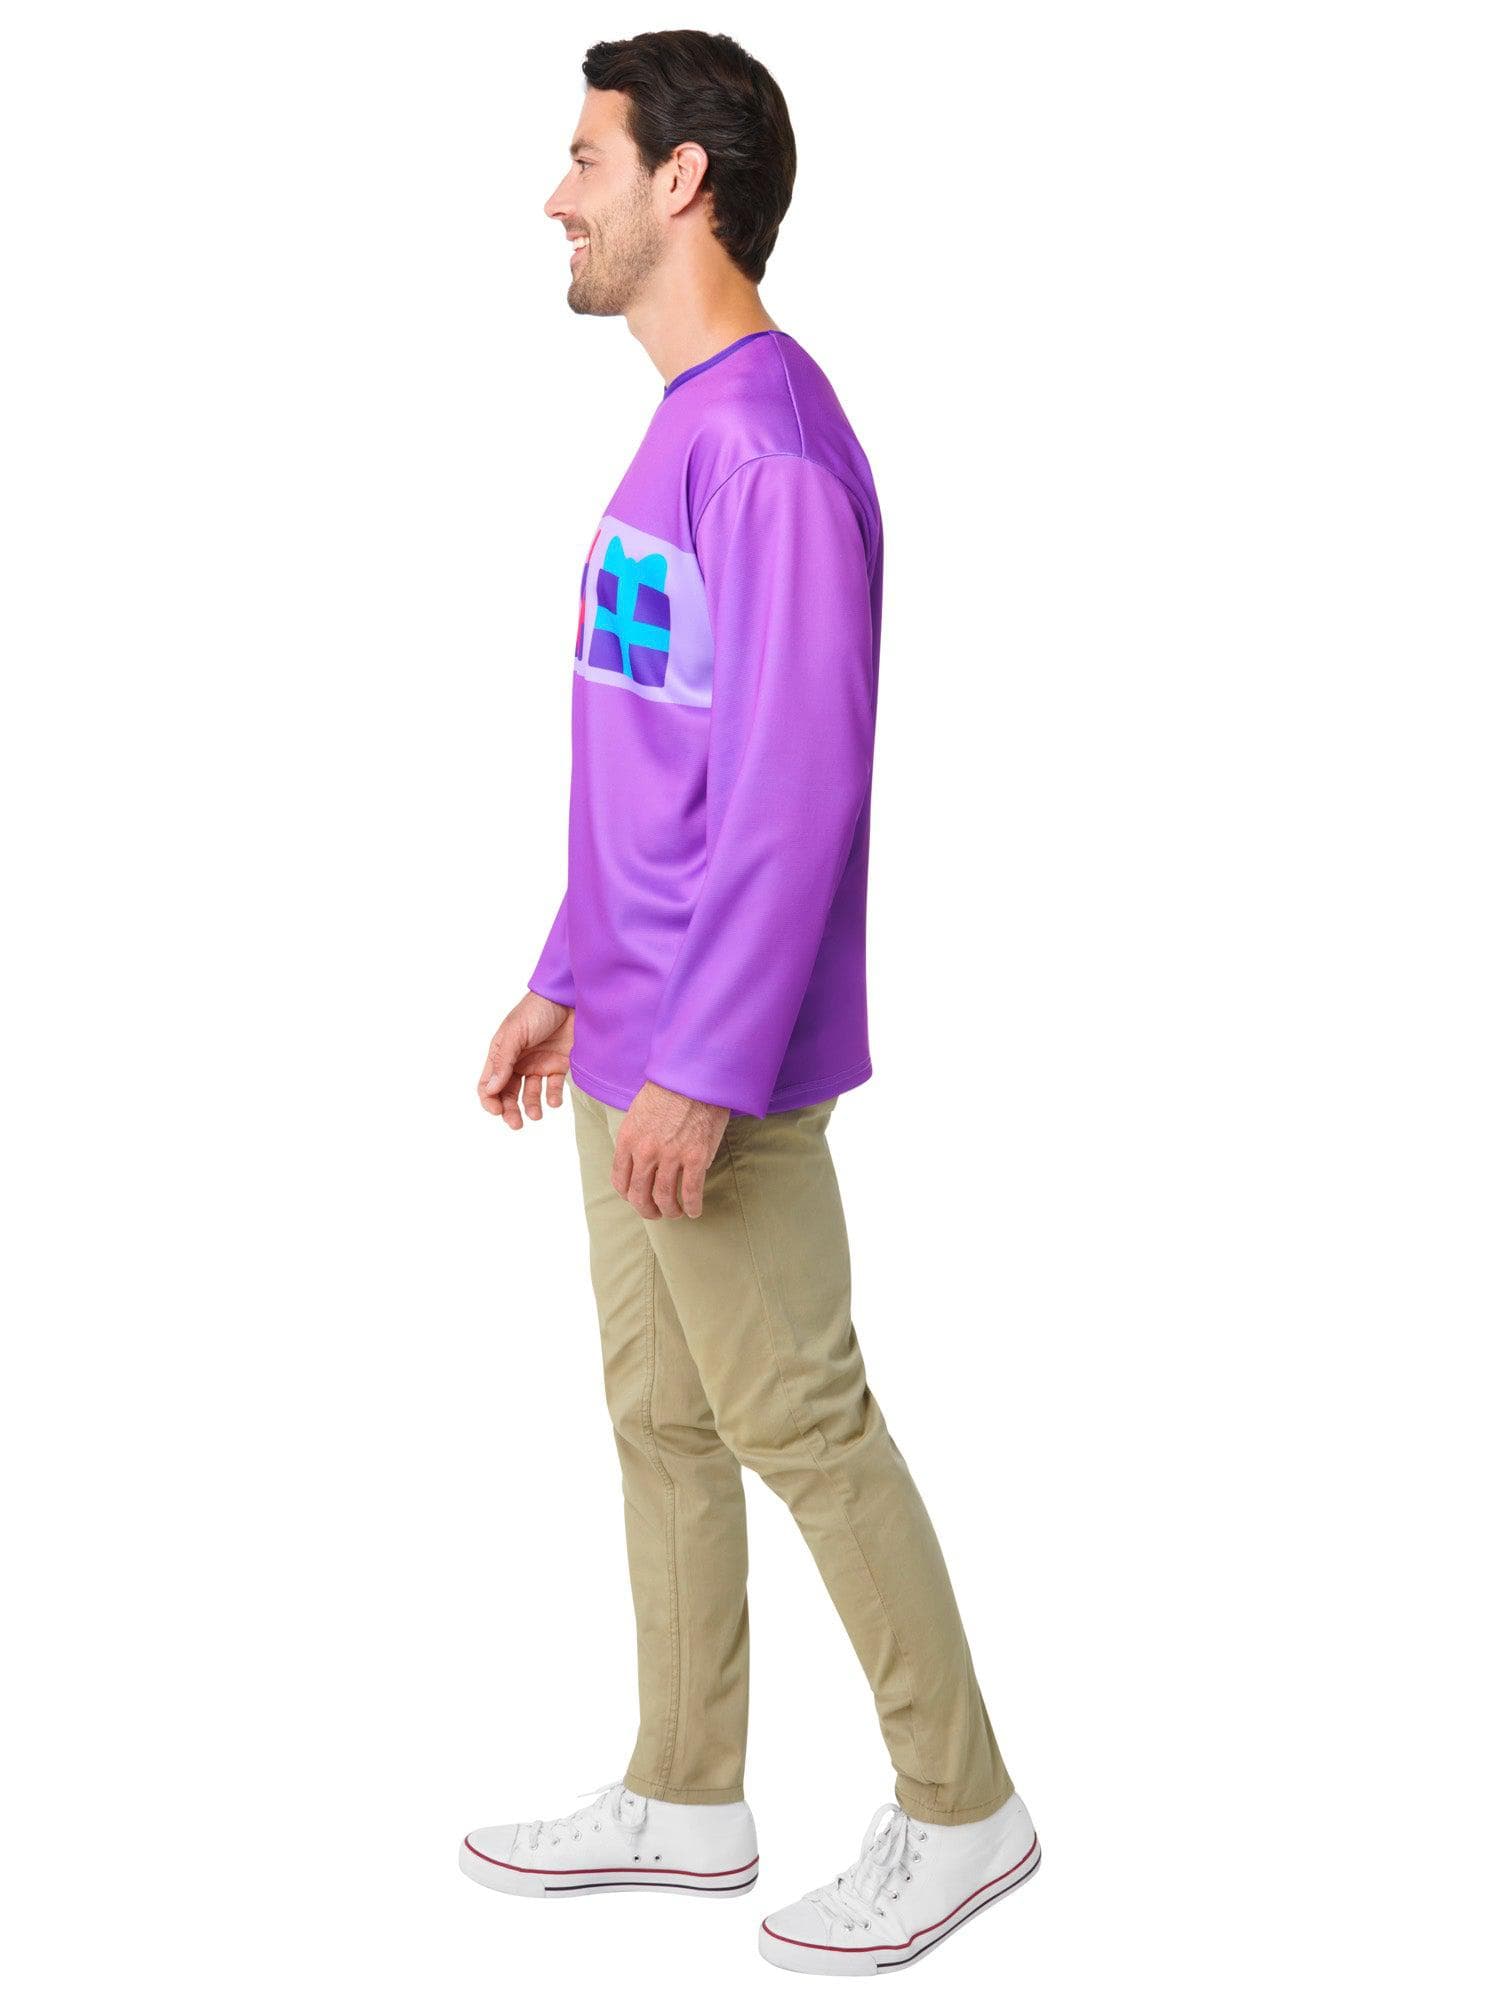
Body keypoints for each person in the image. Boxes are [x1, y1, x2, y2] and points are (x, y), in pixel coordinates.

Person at [460, 30, 1039, 1975]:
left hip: (717, 1069)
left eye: (585, 156)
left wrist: (703, 1065)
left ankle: (963, 1808)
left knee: (800, 1416)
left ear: (682, 180)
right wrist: (566, 977)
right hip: (623, 1045)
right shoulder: (681, 427)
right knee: (660, 1415)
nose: (556, 195)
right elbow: (658, 765)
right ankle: (685, 1787)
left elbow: (795, 795)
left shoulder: (771, 449)